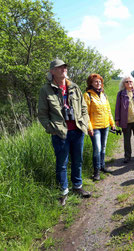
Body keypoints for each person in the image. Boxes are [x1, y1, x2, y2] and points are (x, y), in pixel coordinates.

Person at [38, 59, 91, 206]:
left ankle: (77, 186)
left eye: (65, 67)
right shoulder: (46, 89)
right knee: (62, 163)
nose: (63, 69)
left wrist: (84, 123)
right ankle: (63, 192)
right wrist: (52, 129)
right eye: (59, 67)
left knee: (77, 160)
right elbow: (42, 114)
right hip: (60, 133)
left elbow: (84, 108)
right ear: (52, 71)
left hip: (77, 130)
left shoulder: (74, 87)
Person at [84, 73, 116, 181]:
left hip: (105, 125)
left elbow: (108, 111)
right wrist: (89, 128)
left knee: (103, 148)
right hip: (95, 127)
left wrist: (112, 124)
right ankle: (96, 171)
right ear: (91, 83)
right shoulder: (87, 95)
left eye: (99, 82)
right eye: (96, 82)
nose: (98, 84)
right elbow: (86, 114)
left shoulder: (104, 95)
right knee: (97, 149)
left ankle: (102, 167)